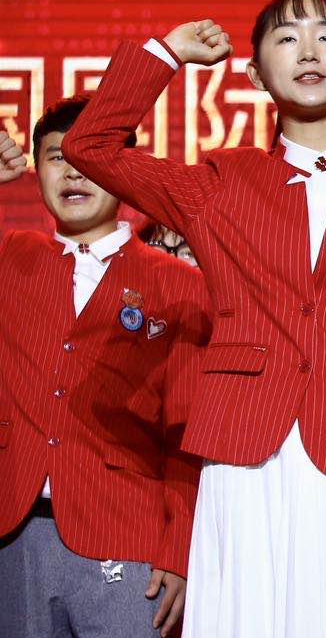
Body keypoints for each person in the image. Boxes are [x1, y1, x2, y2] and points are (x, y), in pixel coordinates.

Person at [62, 0, 326, 637]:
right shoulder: (221, 182)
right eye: (286, 38)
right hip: (248, 452)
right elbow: (90, 146)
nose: (308, 51)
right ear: (253, 75)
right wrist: (168, 53)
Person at [0, 102, 207, 637]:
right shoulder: (11, 259)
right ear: (36, 172)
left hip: (127, 534)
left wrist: (179, 549)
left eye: (90, 158)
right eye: (56, 158)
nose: (73, 172)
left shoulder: (178, 284)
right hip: (14, 536)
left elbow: (186, 434)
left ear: (122, 171)